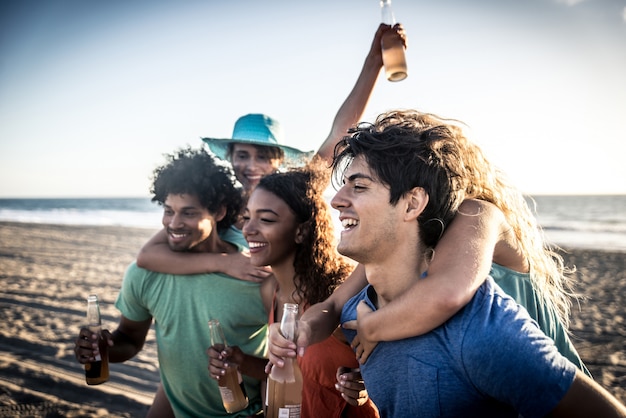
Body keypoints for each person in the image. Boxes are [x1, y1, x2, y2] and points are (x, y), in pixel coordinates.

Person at [330, 110, 626, 416]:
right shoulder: (362, 309)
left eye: (360, 186)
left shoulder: (478, 317)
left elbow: (448, 293)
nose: (335, 200)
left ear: (414, 202)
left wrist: (373, 327)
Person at [135, 22, 407, 279]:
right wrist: (224, 262)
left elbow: (340, 133)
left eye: (263, 157)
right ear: (230, 158)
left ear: (279, 160)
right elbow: (148, 256)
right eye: (242, 156)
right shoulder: (221, 203)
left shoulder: (297, 190)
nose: (251, 165)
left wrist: (373, 64)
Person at [73, 147, 268, 417]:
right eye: (168, 211)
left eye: (188, 213)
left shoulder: (253, 273)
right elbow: (129, 339)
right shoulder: (143, 274)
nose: (174, 224)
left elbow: (288, 364)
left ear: (220, 212)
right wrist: (106, 349)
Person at [208, 160, 379, 417]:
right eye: (246, 217)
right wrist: (241, 361)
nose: (248, 229)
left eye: (265, 219)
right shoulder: (271, 291)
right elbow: (293, 372)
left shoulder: (337, 294)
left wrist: (363, 387)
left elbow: (382, 378)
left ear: (302, 231)